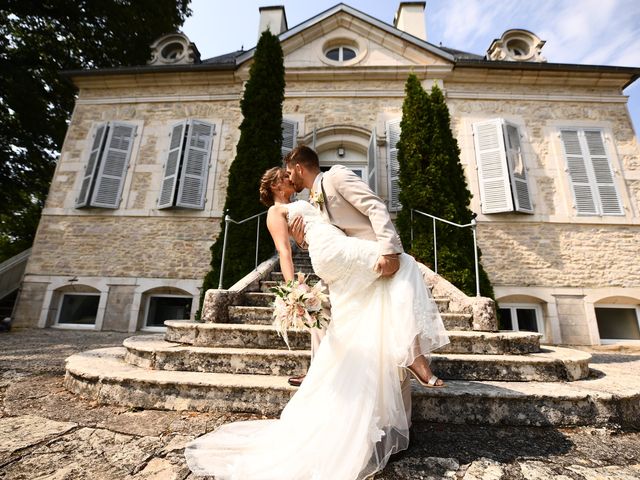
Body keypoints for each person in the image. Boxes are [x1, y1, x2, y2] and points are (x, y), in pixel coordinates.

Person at [184, 160, 449, 479]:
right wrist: (293, 286)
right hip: (332, 254)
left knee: (370, 307)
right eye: (284, 178)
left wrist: (306, 236)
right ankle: (414, 354)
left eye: (289, 173)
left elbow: (313, 231)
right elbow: (284, 251)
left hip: (334, 246)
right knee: (403, 263)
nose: (290, 179)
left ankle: (399, 365)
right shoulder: (274, 213)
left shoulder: (306, 203)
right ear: (274, 187)